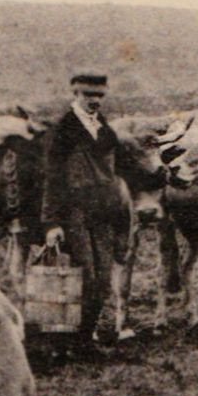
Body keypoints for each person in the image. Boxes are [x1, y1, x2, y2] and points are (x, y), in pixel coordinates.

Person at [41, 72, 127, 349]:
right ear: (75, 94)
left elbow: (117, 168)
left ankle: (82, 339)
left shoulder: (103, 127)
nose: (95, 101)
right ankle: (65, 343)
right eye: (89, 95)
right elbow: (52, 178)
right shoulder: (63, 129)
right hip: (74, 213)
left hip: (103, 213)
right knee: (84, 278)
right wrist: (51, 223)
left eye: (100, 96)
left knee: (102, 280)